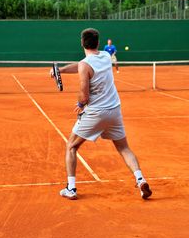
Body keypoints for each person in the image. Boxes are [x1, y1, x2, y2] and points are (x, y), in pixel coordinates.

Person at [51, 28, 152, 201]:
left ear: (82, 43)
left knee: (71, 146)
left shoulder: (85, 64)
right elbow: (82, 65)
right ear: (98, 43)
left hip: (96, 113)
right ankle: (140, 180)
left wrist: (80, 104)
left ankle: (71, 188)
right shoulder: (105, 56)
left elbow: (84, 93)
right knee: (123, 147)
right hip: (114, 110)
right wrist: (61, 70)